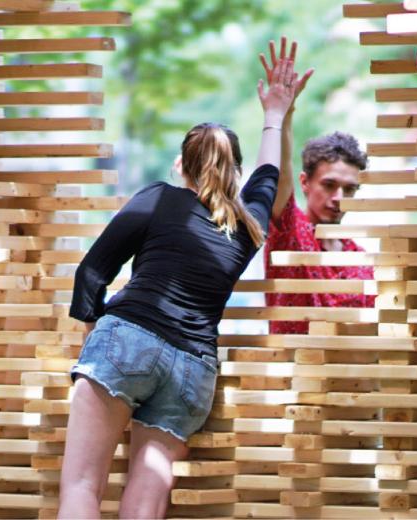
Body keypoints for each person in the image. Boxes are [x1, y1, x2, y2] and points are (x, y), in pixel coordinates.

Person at [58, 44, 303, 519]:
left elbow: (92, 272)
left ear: (181, 165)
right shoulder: (248, 226)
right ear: (234, 173)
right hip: (194, 370)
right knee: (146, 503)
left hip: (128, 340)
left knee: (83, 485)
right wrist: (275, 112)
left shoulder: (158, 198)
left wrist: (95, 341)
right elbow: (269, 176)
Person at [259, 38, 375, 334]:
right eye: (329, 184)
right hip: (291, 377)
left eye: (349, 189)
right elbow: (279, 174)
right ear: (305, 183)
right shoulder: (290, 232)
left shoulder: (359, 259)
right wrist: (285, 114)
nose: (339, 197)